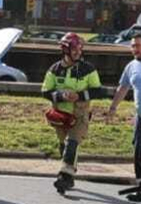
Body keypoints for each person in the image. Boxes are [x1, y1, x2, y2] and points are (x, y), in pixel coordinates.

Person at [42, 32, 101, 193]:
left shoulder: (88, 69)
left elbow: (98, 91)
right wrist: (61, 96)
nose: (78, 52)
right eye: (74, 49)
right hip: (60, 116)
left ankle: (64, 177)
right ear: (65, 49)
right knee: (64, 145)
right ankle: (69, 175)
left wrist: (79, 96)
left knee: (72, 143)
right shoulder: (54, 69)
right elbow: (45, 91)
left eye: (80, 49)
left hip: (80, 115)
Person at [104, 34, 141, 154]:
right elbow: (123, 88)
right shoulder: (131, 66)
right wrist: (113, 108)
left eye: (138, 46)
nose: (134, 49)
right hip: (140, 117)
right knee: (139, 152)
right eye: (132, 46)